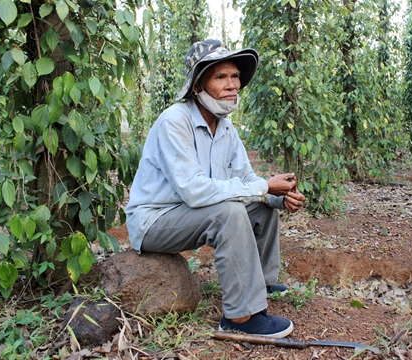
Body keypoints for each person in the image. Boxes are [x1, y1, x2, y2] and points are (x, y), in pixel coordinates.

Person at [125, 39, 306, 338]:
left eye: (235, 76)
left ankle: (259, 283)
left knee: (260, 203)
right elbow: (194, 191)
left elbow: (249, 182)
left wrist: (278, 196)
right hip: (155, 222)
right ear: (197, 85)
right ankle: (240, 319)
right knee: (229, 212)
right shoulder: (174, 122)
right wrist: (264, 186)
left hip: (189, 213)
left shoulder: (226, 129)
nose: (232, 84)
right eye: (220, 77)